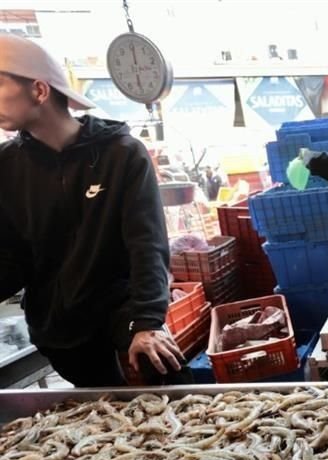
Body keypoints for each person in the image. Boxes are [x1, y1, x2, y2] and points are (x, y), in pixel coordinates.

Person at [0, 34, 189, 387]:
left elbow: (147, 245)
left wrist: (148, 322)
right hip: (61, 329)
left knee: (172, 384)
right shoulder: (7, 167)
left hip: (123, 313)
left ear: (39, 91)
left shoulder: (122, 154)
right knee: (100, 415)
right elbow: (11, 259)